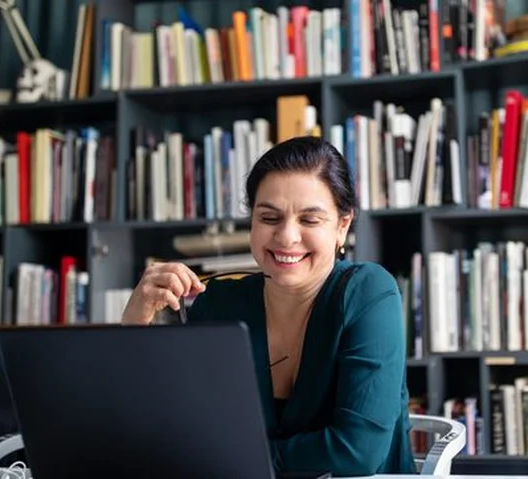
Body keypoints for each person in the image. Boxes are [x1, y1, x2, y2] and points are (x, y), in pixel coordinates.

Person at [121, 136, 416, 476]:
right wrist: (135, 321)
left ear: (342, 226)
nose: (287, 237)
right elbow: (162, 426)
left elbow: (356, 451)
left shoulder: (368, 292)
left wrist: (239, 462)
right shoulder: (219, 302)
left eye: (309, 220)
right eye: (269, 218)